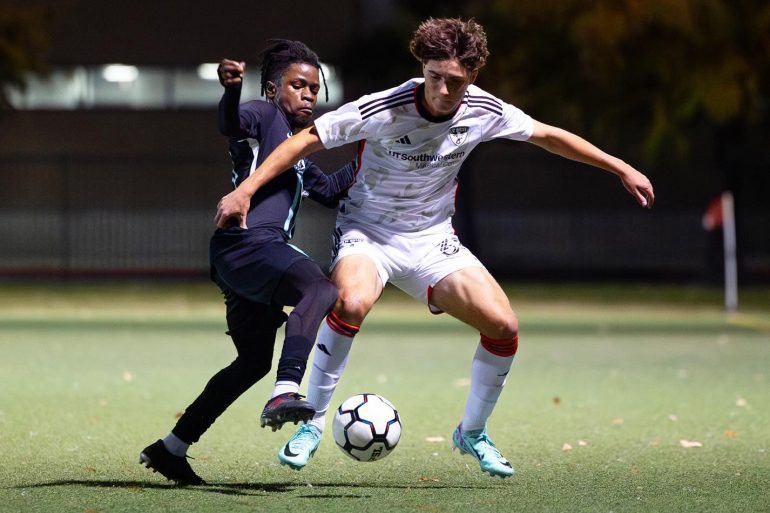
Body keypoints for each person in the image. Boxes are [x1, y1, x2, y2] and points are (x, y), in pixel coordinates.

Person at [215, 18, 655, 479]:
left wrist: (619, 167)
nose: (443, 89)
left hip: (431, 238)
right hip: (368, 232)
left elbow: (547, 135)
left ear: (473, 77)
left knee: (503, 324)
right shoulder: (383, 108)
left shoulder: (484, 110)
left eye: (456, 81)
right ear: (423, 67)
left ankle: (472, 432)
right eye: (435, 77)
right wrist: (247, 190)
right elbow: (306, 140)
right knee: (351, 301)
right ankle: (313, 423)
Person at [139, 39, 355, 485]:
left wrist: (372, 154)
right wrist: (231, 90)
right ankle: (286, 391)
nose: (309, 95)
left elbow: (332, 191)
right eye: (298, 85)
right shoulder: (263, 114)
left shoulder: (296, 152)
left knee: (253, 361)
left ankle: (171, 449)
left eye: (314, 88)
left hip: (242, 258)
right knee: (321, 289)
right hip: (248, 244)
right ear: (274, 90)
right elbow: (230, 122)